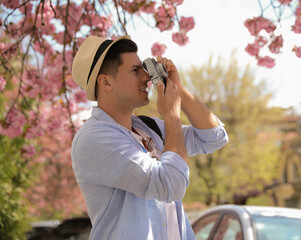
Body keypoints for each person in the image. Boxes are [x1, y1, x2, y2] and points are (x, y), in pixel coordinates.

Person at [71, 35, 228, 240]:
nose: (146, 77)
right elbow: (170, 185)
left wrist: (178, 89)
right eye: (135, 70)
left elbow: (214, 137)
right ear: (106, 82)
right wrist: (172, 116)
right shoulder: (95, 138)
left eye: (144, 68)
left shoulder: (148, 127)